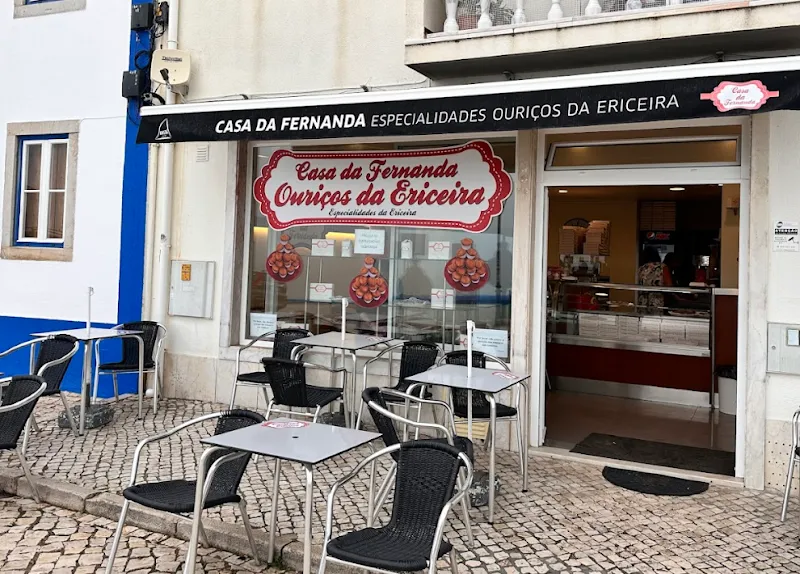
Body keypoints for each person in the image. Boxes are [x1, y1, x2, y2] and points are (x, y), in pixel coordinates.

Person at [637, 247, 672, 313]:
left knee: (643, 320)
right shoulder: (662, 267)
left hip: (642, 300)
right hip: (657, 299)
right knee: (655, 321)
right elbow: (669, 285)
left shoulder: (641, 268)